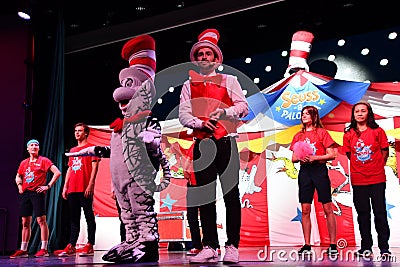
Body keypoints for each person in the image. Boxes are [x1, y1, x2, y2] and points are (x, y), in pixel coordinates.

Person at [179, 28, 248, 264]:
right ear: (196, 59)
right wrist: (200, 123)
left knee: (231, 195)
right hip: (202, 143)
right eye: (200, 54)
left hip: (226, 141)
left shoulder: (230, 80)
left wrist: (224, 112)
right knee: (204, 196)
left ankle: (232, 245)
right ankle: (209, 245)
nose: (204, 57)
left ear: (216, 59)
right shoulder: (188, 85)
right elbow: (183, 115)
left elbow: (243, 106)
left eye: (208, 53)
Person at [343, 101, 391, 257]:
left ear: (368, 113)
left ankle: (384, 248)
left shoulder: (378, 131)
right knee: (363, 214)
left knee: (380, 213)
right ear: (353, 114)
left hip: (377, 179)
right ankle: (366, 247)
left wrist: (376, 167)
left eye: (363, 111)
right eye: (357, 111)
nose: (360, 113)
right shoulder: (349, 134)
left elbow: (385, 151)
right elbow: (350, 155)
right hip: (358, 180)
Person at [289, 105, 338, 256]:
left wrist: (315, 157)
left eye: (307, 114)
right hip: (305, 172)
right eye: (302, 114)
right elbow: (293, 158)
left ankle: (333, 244)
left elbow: (332, 154)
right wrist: (301, 157)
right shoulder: (298, 135)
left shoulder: (322, 133)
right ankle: (307, 244)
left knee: (327, 208)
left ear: (314, 116)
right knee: (305, 209)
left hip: (319, 170)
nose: (304, 116)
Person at [10, 139, 61, 258]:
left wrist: (47, 186)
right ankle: (23, 250)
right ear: (27, 149)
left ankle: (44, 248)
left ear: (38, 148)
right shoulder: (24, 163)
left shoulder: (43, 160)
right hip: (25, 194)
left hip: (37, 193)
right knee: (25, 222)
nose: (34, 147)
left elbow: (57, 172)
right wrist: (19, 186)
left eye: (36, 145)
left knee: (41, 221)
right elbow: (18, 176)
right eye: (31, 145)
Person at [55, 123, 100, 257]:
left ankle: (90, 244)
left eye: (80, 131)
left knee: (89, 217)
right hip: (72, 189)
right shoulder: (73, 150)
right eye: (75, 131)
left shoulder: (91, 148)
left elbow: (95, 166)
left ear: (86, 133)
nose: (77, 133)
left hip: (84, 187)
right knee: (74, 218)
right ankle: (71, 245)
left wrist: (90, 184)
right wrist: (65, 186)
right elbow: (69, 168)